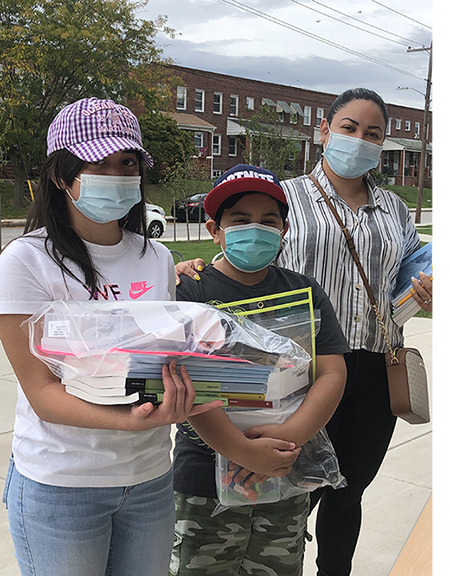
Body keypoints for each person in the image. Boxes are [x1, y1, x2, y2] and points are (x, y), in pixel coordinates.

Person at [175, 88, 432, 576]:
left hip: (373, 363)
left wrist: (425, 294)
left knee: (348, 488)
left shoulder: (395, 209)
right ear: (324, 131)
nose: (360, 139)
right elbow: (240, 259)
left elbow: (406, 276)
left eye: (373, 133)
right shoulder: (285, 196)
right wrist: (191, 269)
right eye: (349, 128)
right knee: (285, 478)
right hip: (294, 373)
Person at [0, 97, 222, 576]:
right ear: (61, 174)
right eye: (99, 161)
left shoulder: (156, 257)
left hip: (149, 478)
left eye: (127, 162)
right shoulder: (25, 261)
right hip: (63, 484)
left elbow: (158, 357)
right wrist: (132, 423)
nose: (118, 174)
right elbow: (41, 393)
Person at [171, 164, 349, 576]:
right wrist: (239, 449)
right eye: (240, 220)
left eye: (269, 221)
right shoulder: (191, 291)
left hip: (286, 469)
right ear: (215, 229)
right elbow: (186, 380)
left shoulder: (303, 292)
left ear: (284, 231)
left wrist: (290, 436)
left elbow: (332, 373)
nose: (256, 229)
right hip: (204, 477)